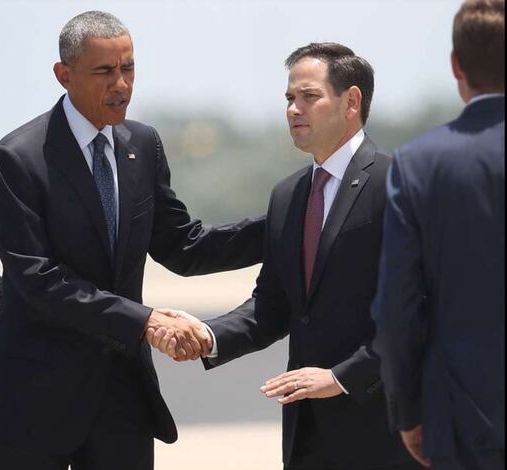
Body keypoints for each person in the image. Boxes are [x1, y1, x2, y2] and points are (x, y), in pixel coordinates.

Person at [0, 10, 264, 470]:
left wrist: (290, 223)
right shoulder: (16, 159)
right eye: (105, 72)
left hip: (121, 400)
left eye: (128, 68)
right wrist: (144, 320)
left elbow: (182, 245)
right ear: (64, 75)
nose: (122, 84)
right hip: (36, 402)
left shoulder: (143, 145)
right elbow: (38, 280)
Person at [149, 42, 422, 470]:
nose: (294, 109)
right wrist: (208, 334)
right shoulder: (289, 195)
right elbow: (272, 306)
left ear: (352, 101)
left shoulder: (398, 185)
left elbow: (416, 312)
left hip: (384, 432)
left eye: (309, 97)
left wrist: (340, 377)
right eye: (289, 99)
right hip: (306, 434)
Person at [371, 0, 505, 468]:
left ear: (456, 65)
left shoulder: (419, 164)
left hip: (464, 421)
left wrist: (408, 412)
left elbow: (395, 311)